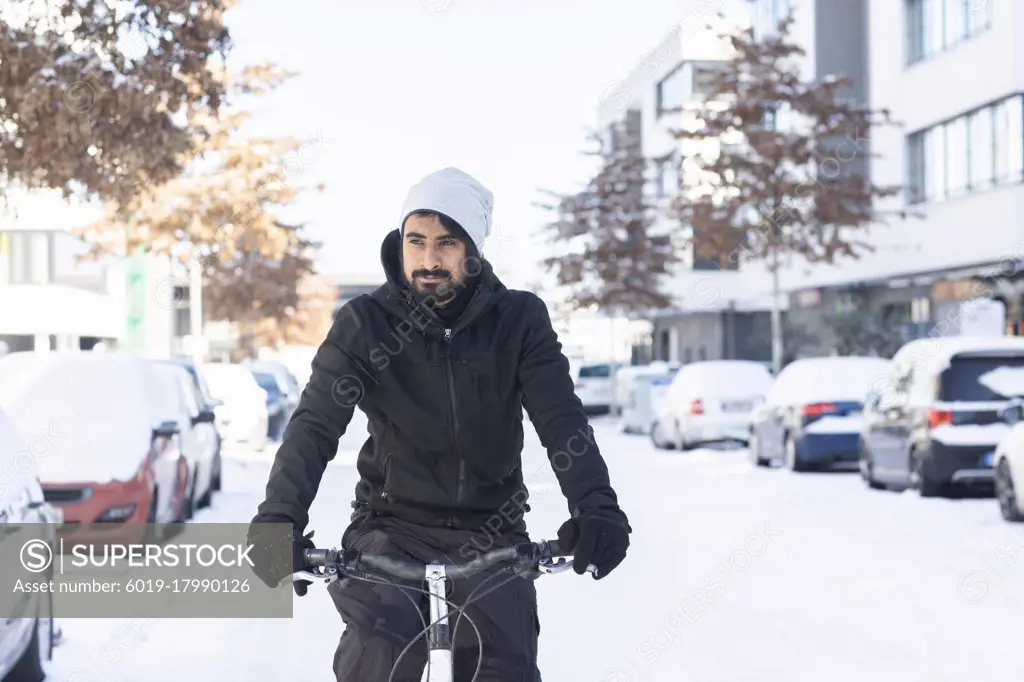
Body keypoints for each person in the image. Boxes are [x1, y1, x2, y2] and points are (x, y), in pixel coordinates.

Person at [246, 166, 631, 681]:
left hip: (492, 532)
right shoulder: (365, 324)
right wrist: (279, 518)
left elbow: (562, 421)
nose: (429, 259)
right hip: (390, 530)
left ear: (472, 250)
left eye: (447, 243)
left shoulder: (519, 321)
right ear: (400, 242)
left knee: (504, 666)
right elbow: (315, 425)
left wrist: (596, 508)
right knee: (378, 652)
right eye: (417, 240)